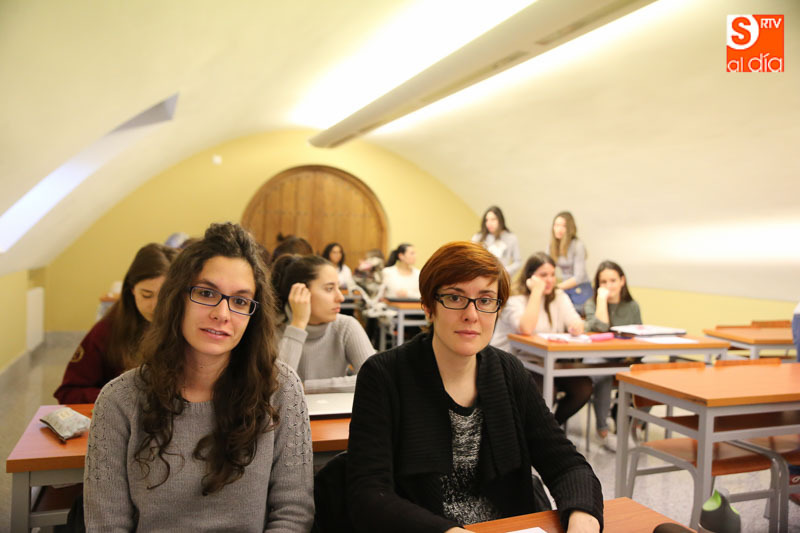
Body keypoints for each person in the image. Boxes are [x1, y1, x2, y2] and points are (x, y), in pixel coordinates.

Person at [346, 241, 602, 532]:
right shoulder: (384, 376)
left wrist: (583, 517)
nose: (472, 314)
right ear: (428, 307)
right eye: (455, 298)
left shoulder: (509, 372)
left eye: (486, 300)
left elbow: (567, 464)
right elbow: (368, 495)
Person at [83, 223, 314, 531]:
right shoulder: (118, 400)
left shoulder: (281, 389)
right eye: (206, 293)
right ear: (177, 298)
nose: (222, 314)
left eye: (240, 301)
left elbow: (293, 513)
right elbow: (106, 524)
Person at [54, 243, 177, 404]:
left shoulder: (189, 327)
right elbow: (69, 392)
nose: (155, 306)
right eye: (146, 295)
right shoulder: (107, 330)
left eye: (165, 296)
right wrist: (120, 398)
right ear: (131, 290)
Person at [491, 252, 592, 426]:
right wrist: (536, 292)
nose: (550, 280)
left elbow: (575, 320)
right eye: (543, 275)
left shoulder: (558, 296)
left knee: (583, 387)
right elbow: (526, 328)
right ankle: (535, 433)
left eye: (552, 274)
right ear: (530, 277)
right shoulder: (514, 298)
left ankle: (552, 429)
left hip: (545, 363)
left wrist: (576, 326)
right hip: (514, 362)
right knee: (546, 390)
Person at [272, 254, 375, 393]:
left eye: (338, 287)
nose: (341, 297)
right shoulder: (272, 329)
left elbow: (375, 379)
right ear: (300, 292)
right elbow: (277, 388)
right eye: (329, 289)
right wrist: (298, 324)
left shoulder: (346, 326)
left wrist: (306, 387)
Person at [584, 261, 642, 445]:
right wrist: (601, 300)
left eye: (613, 280)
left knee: (649, 376)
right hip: (597, 356)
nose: (608, 285)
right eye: (603, 282)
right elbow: (601, 327)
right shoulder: (592, 304)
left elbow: (639, 336)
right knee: (604, 374)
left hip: (624, 357)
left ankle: (633, 424)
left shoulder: (632, 306)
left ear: (622, 281)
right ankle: (602, 430)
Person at [549, 211, 591, 313]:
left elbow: (579, 277)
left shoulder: (577, 245)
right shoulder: (552, 246)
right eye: (556, 225)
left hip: (581, 288)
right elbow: (546, 266)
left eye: (563, 226)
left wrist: (556, 287)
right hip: (564, 287)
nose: (559, 229)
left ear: (570, 228)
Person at [471, 206, 521, 277]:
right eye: (487, 220)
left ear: (500, 220)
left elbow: (518, 262)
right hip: (480, 275)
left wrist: (505, 271)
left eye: (493, 219)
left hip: (499, 277)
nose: (489, 223)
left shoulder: (511, 238)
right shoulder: (478, 237)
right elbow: (470, 256)